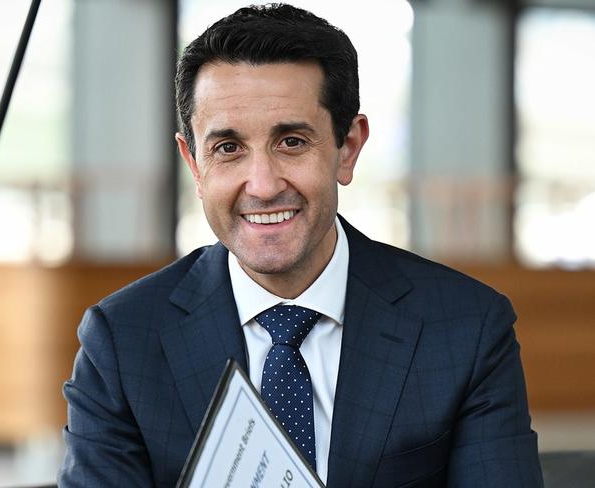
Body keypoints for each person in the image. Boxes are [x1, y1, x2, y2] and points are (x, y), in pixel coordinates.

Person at [58, 4, 543, 487]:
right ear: (193, 164)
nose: (263, 185)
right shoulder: (122, 341)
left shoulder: (466, 328)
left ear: (347, 148)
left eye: (291, 141)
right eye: (228, 148)